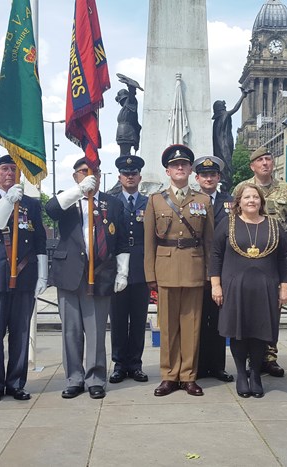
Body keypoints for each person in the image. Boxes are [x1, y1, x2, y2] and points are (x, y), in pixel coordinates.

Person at [47, 158, 129, 400]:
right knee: (71, 331)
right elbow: (50, 209)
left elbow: (121, 239)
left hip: (101, 272)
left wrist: (122, 271)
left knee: (95, 331)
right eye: (83, 171)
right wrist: (78, 191)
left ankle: (95, 378)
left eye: (94, 171)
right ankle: (74, 378)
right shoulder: (67, 199)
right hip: (70, 272)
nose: (89, 175)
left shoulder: (112, 203)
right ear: (75, 176)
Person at [0, 156, 48, 403]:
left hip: (25, 275)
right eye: (4, 169)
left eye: (14, 169)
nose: (9, 173)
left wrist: (42, 273)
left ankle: (16, 382)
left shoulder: (31, 203)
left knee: (20, 333)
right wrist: (7, 201)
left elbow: (39, 239)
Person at [144, 144, 214, 397]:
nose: (180, 167)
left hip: (194, 268)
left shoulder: (203, 200)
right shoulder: (155, 200)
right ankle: (168, 376)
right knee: (168, 326)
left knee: (191, 326)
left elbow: (209, 241)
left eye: (184, 164)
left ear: (190, 169)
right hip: (165, 268)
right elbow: (149, 241)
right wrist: (150, 275)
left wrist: (210, 274)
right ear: (168, 170)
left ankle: (188, 376)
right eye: (175, 165)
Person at [210, 184, 287, 398]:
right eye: (247, 197)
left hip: (265, 288)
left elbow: (284, 258)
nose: (251, 200)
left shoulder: (273, 225)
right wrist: (215, 285)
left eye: (255, 197)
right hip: (235, 287)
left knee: (259, 332)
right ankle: (241, 376)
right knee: (239, 332)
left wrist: (284, 287)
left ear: (261, 201)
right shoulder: (228, 224)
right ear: (239, 202)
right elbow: (215, 255)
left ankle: (255, 374)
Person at [233, 146, 287, 378]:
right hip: (248, 257)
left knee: (272, 311)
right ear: (253, 166)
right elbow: (234, 223)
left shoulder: (285, 189)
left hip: (275, 257)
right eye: (260, 160)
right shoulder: (242, 188)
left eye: (268, 159)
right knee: (249, 312)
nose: (266, 163)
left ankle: (270, 357)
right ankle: (250, 359)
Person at [109, 155, 150, 384]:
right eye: (126, 174)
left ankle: (135, 364)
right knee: (117, 319)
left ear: (140, 177)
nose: (130, 176)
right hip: (117, 268)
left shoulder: (149, 202)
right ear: (120, 177)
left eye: (134, 173)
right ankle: (118, 364)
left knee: (137, 319)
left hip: (141, 267)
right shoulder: (112, 202)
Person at [194, 155, 234, 383]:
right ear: (197, 177)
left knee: (219, 319)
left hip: (224, 268)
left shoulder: (230, 202)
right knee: (199, 319)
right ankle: (199, 366)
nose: (208, 178)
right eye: (204, 175)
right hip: (198, 267)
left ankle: (218, 366)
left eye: (212, 175)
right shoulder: (191, 201)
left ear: (218, 177)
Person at [212, 88, 251, 192]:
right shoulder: (223, 115)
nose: (225, 108)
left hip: (223, 146)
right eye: (224, 106)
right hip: (224, 147)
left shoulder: (217, 121)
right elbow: (235, 109)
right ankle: (225, 184)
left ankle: (224, 182)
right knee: (226, 167)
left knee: (225, 168)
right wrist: (243, 96)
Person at [116, 84, 141, 156]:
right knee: (124, 154)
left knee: (125, 155)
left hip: (126, 133)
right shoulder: (124, 109)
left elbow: (132, 96)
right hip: (123, 133)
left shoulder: (130, 103)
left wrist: (131, 88)